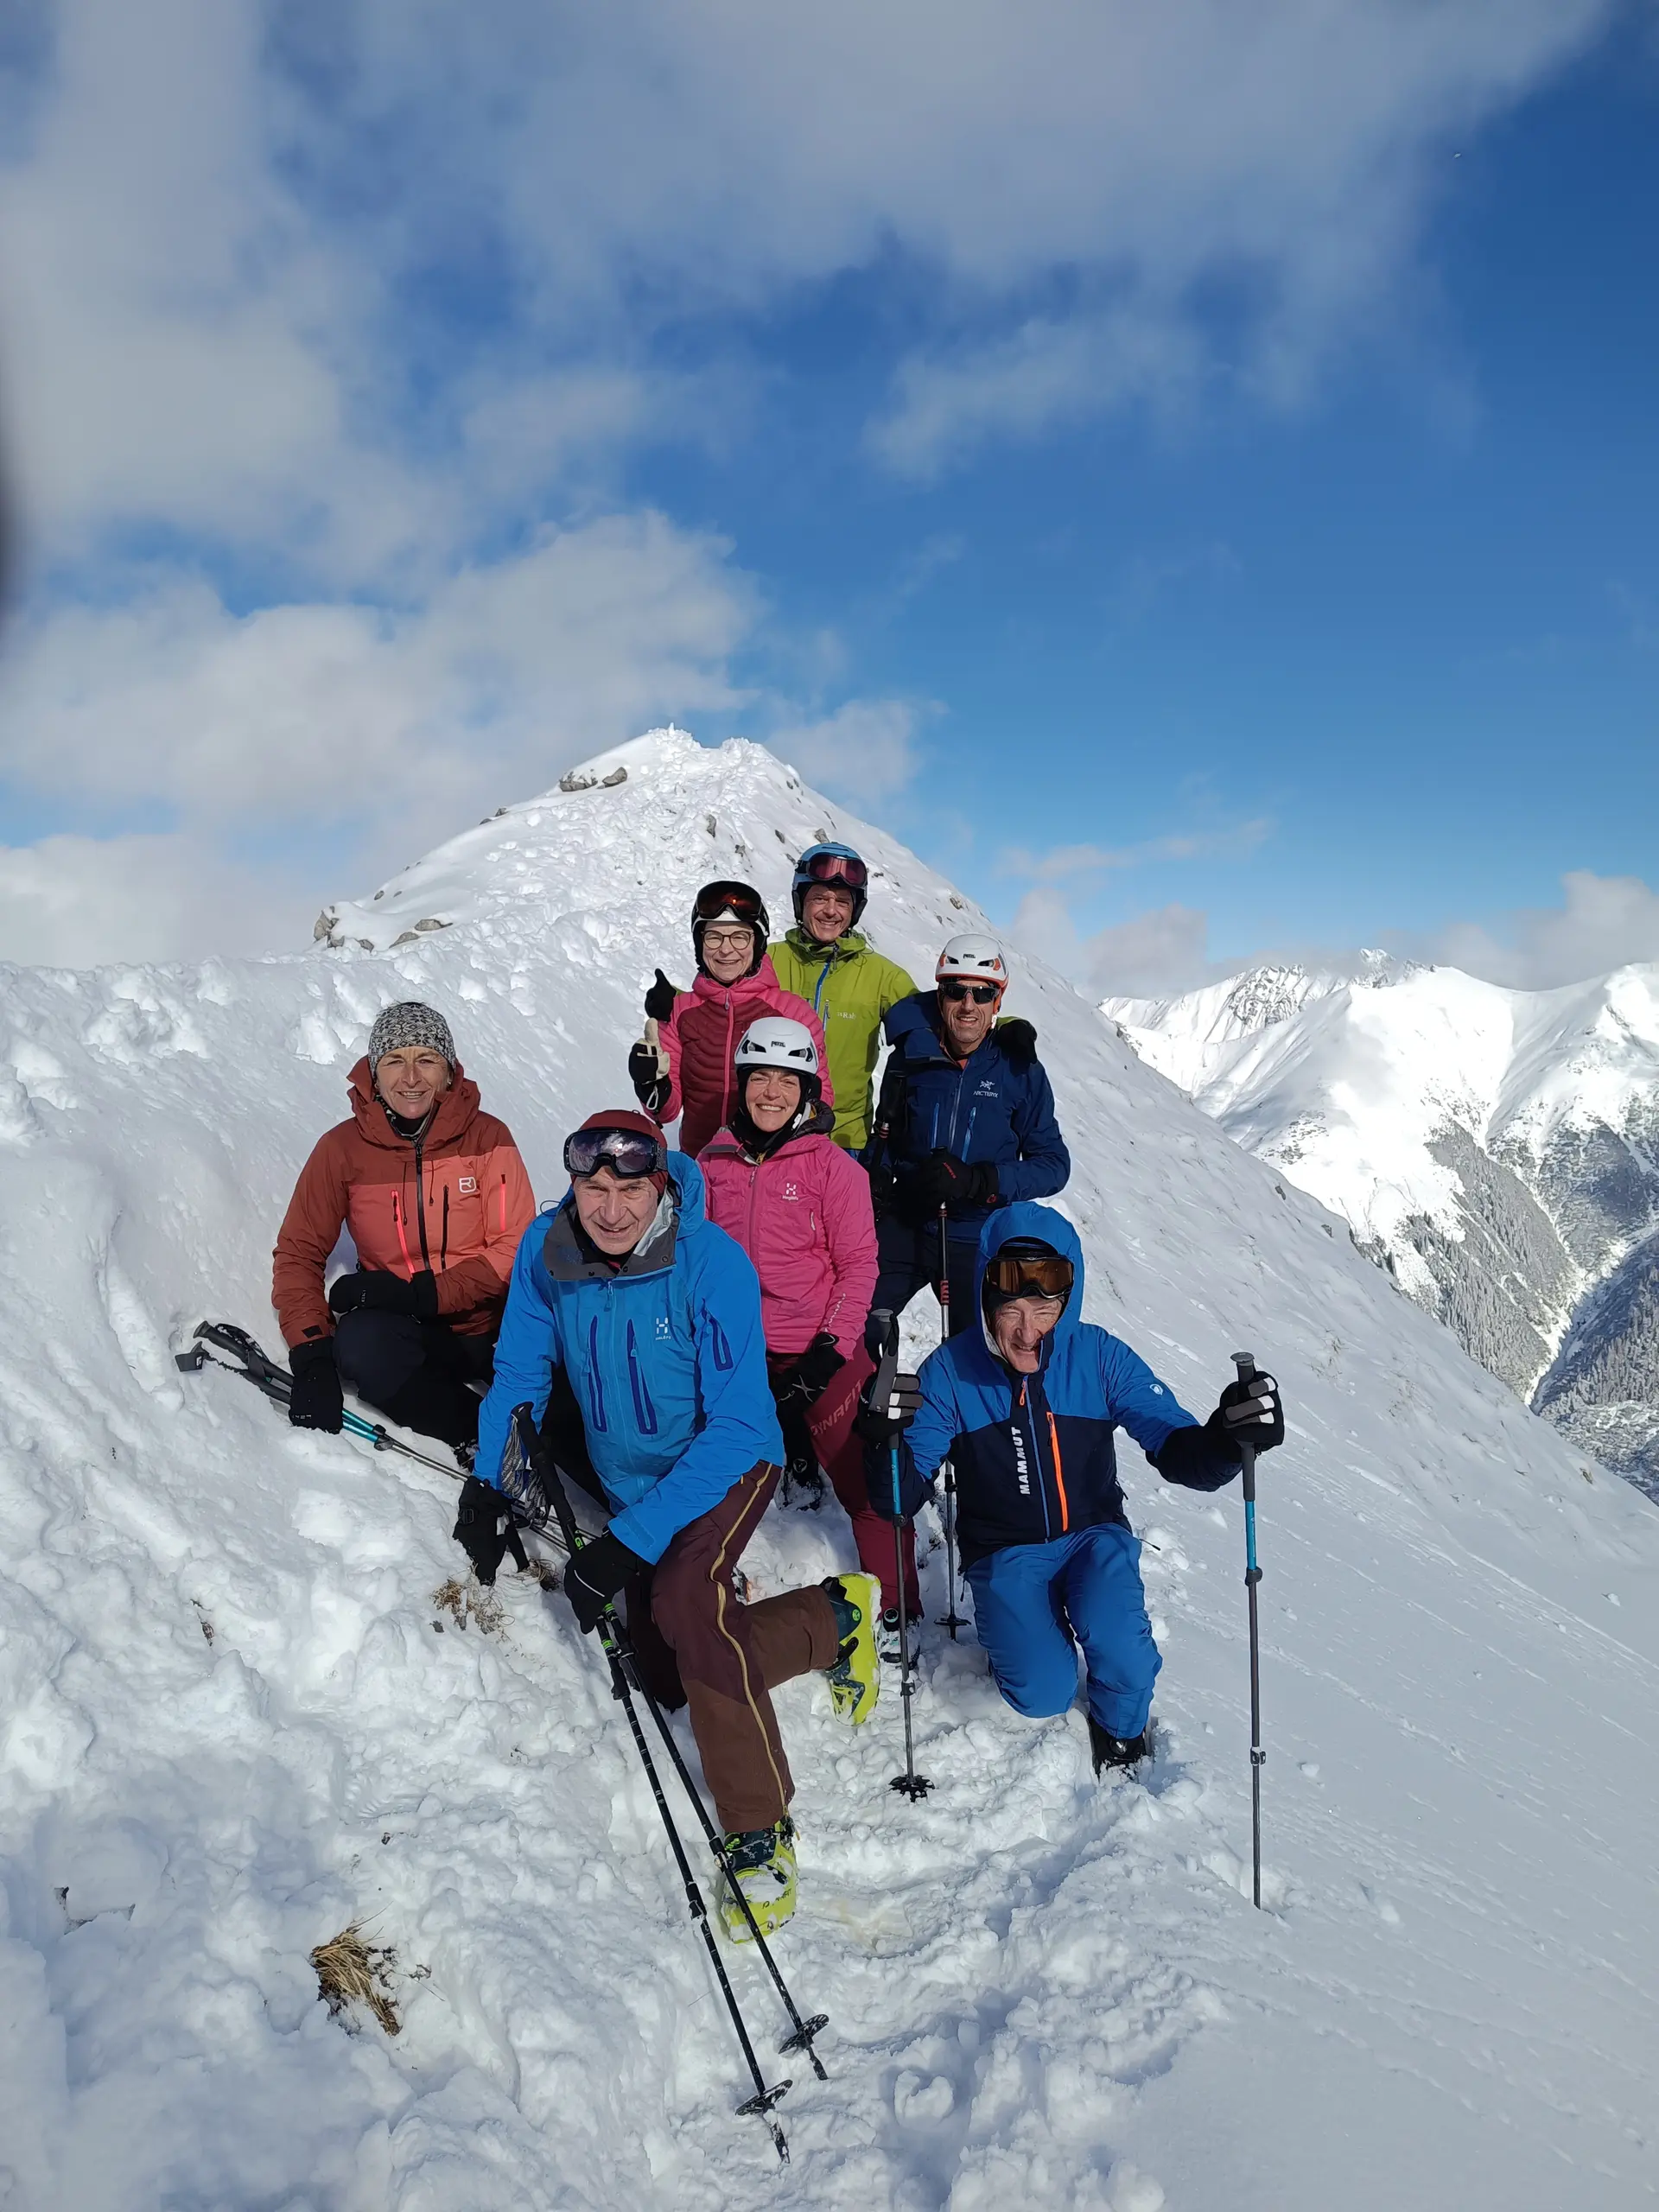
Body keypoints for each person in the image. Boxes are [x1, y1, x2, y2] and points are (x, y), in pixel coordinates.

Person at [470, 1109, 884, 1939]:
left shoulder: (710, 1264)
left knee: (692, 1604)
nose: (611, 1209)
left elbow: (737, 1424)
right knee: (674, 1674)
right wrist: (489, 1482)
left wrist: (629, 1542)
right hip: (631, 1471)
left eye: (629, 1188)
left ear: (659, 1183)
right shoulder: (548, 1254)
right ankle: (836, 1617)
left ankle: (761, 1831)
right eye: (594, 1187)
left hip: (728, 1461)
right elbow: (519, 1371)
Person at [861, 1204, 1284, 1770]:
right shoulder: (950, 1373)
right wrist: (883, 1440)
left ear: (1069, 1299)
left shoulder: (1100, 1357)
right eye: (1010, 1306)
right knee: (1043, 1693)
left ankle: (1119, 1732)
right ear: (985, 1299)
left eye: (1045, 1305)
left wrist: (1229, 1438)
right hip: (1005, 1553)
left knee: (1123, 1651)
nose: (1027, 1327)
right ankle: (1026, 1636)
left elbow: (1183, 1454)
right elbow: (899, 1498)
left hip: (1093, 1539)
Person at [698, 1018, 920, 1656]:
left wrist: (827, 1353)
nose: (771, 1093)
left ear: (808, 1089)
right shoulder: (712, 1165)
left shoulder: (833, 1168)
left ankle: (898, 1605)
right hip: (735, 1350)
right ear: (740, 1085)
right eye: (758, 1077)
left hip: (815, 1344)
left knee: (868, 1479)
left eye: (786, 1080)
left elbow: (859, 1267)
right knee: (702, 1471)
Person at [273, 1002, 537, 1454]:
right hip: (412, 1332)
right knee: (359, 1345)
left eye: (427, 1060)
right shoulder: (341, 1150)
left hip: (494, 1325)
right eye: (395, 1060)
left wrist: (423, 1293)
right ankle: (481, 1437)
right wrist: (312, 1356)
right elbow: (299, 1252)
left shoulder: (488, 1138)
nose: (411, 1078)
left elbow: (516, 1246)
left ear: (449, 1074)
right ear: (374, 1074)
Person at [867, 935, 1069, 1335]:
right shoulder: (909, 1058)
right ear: (940, 997)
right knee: (855, 1320)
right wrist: (874, 1182)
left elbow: (1053, 1166)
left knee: (977, 1350)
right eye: (956, 991)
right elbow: (886, 1137)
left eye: (982, 993)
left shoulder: (1020, 1071)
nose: (968, 1006)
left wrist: (981, 1181)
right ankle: (863, 1394)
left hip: (978, 1235)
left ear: (998, 1002)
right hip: (905, 1222)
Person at [628, 880, 830, 1160]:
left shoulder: (794, 1014)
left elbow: (821, 1102)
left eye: (739, 937)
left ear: (757, 943)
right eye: (714, 937)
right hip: (699, 1167)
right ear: (700, 944)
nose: (726, 950)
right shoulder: (680, 1012)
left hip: (769, 1169)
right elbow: (667, 1112)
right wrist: (652, 1085)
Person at [769, 842, 915, 1154]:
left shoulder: (882, 976)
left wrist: (1006, 1026)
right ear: (801, 903)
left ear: (855, 910)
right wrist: (669, 1003)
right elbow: (713, 1005)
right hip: (768, 1133)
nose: (831, 911)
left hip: (846, 1141)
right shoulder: (766, 961)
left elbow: (945, 1021)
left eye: (843, 902)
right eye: (819, 898)